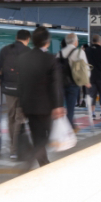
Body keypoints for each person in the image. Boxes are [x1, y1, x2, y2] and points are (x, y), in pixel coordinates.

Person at [17, 26, 65, 169]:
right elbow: (56, 84)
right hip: (46, 107)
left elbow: (20, 84)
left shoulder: (23, 59)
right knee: (46, 137)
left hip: (29, 106)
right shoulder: (50, 59)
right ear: (47, 42)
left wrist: (21, 105)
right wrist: (58, 105)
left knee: (37, 136)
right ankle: (32, 158)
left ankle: (44, 164)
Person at [0, 29, 31, 160]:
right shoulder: (28, 51)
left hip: (8, 89)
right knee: (20, 118)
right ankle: (16, 148)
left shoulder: (5, 50)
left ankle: (13, 149)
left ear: (16, 37)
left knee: (11, 117)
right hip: (23, 90)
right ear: (28, 39)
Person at [59, 33, 91, 131]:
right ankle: (68, 129)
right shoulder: (79, 52)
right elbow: (85, 69)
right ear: (75, 42)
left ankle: (70, 126)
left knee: (62, 107)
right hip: (73, 84)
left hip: (60, 84)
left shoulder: (59, 53)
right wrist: (86, 81)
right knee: (70, 108)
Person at [85, 35, 101, 119]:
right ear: (100, 41)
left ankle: (92, 113)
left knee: (92, 95)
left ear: (92, 41)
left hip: (90, 77)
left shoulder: (87, 50)